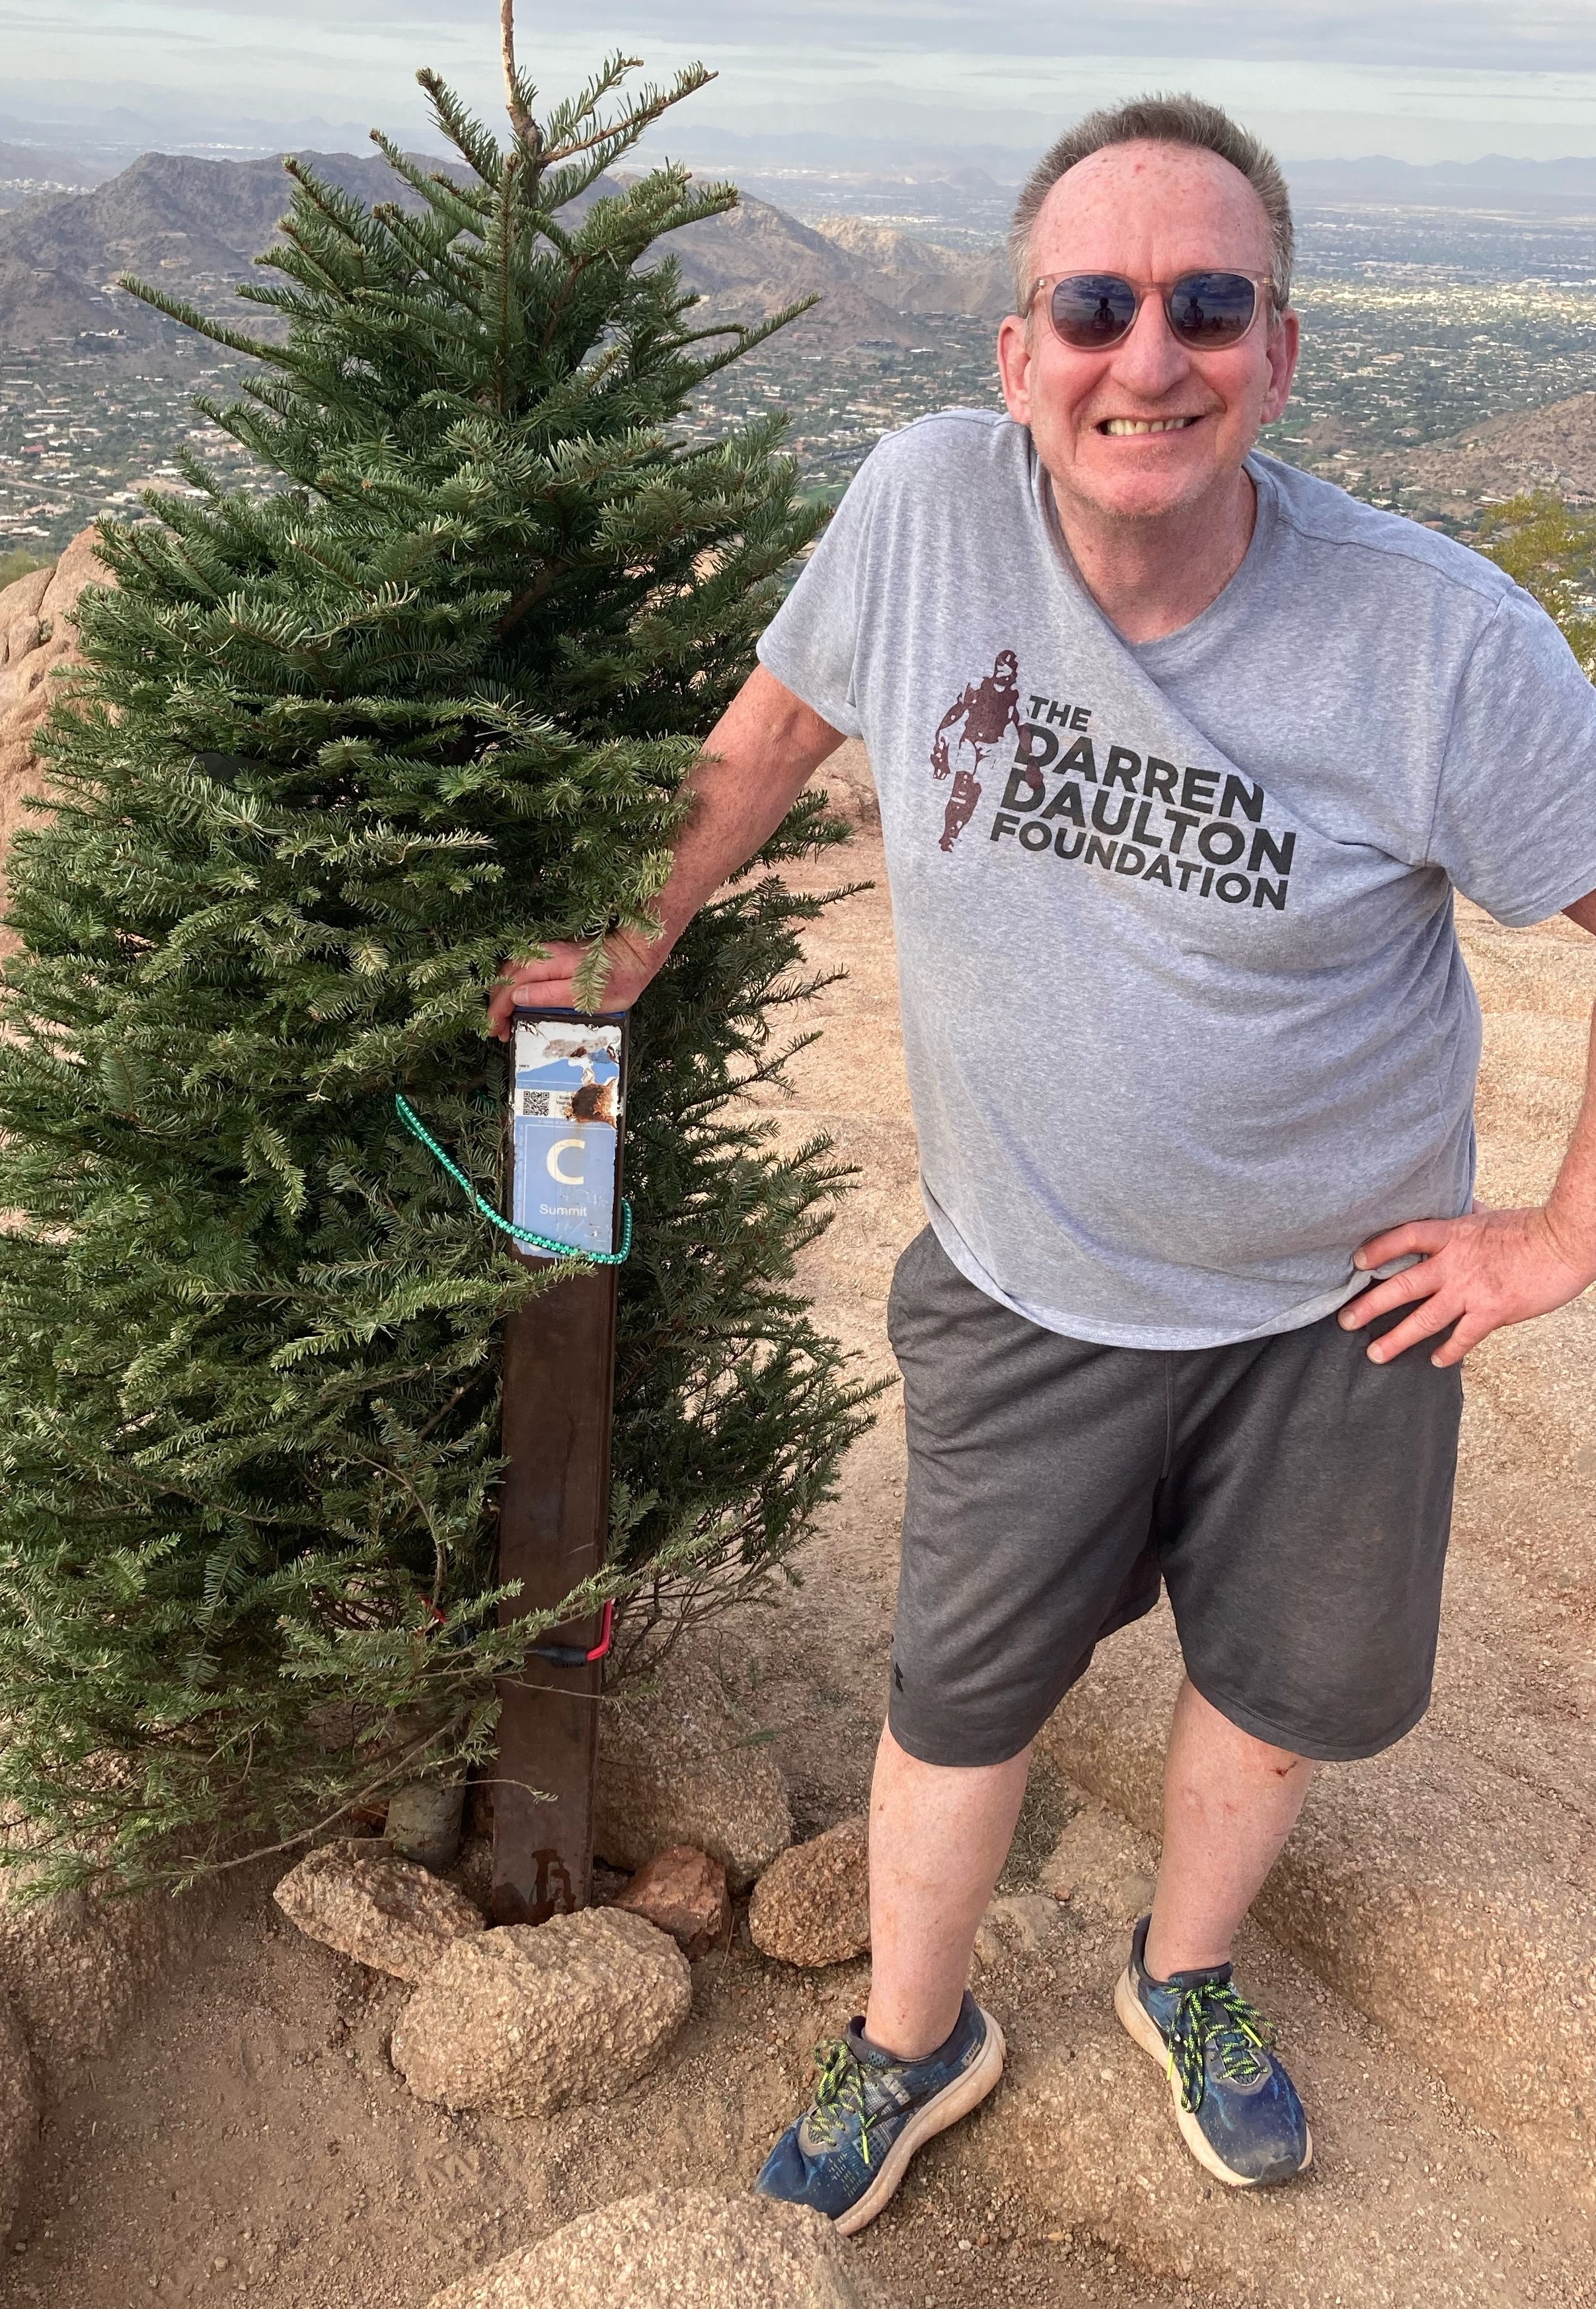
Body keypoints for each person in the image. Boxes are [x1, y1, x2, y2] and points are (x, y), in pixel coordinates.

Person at [489, 95, 1596, 2228]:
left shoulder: (1442, 641)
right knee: (960, 1692)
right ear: (1017, 353)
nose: (1144, 354)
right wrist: (628, 935)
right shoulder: (923, 507)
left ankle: (1179, 1977)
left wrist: (1555, 1237)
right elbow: (775, 729)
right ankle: (915, 2031)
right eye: (1091, 303)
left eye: (1206, 305)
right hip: (1024, 1277)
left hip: (1330, 1305)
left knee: (1269, 1693)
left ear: (1280, 354)